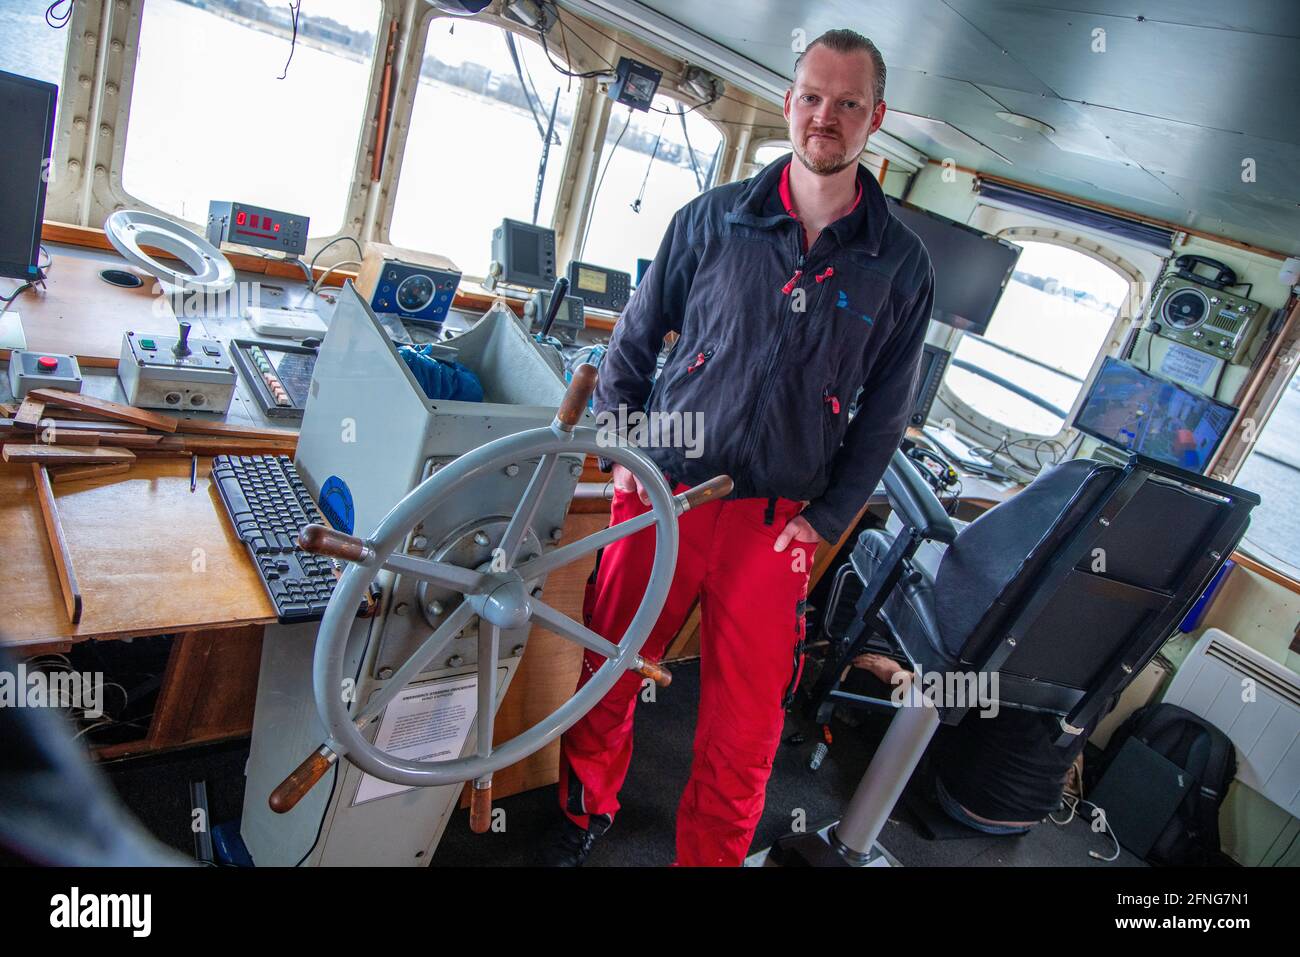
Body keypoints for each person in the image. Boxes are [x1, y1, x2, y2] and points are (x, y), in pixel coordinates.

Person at [547, 29, 935, 867]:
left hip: (775, 524)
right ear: (791, 101)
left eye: (847, 104)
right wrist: (619, 449)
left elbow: (884, 418)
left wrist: (829, 518)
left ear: (877, 118)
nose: (824, 117)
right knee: (611, 668)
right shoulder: (712, 219)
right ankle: (584, 815)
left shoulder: (899, 265)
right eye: (811, 97)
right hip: (663, 492)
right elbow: (633, 343)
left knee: (746, 724)